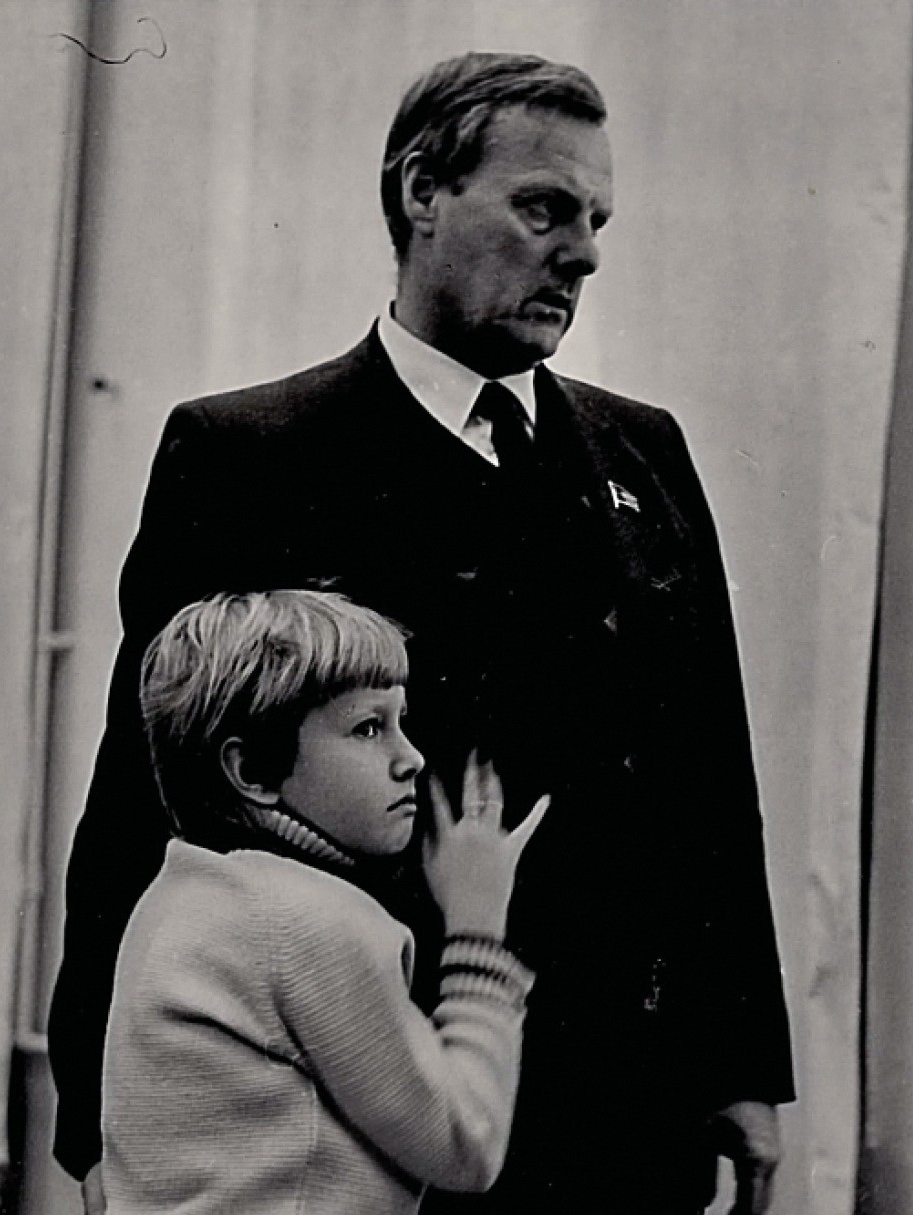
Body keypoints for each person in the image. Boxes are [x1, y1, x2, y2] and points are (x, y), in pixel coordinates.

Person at [50, 52, 795, 1215]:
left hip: (622, 1105)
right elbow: (146, 799)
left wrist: (742, 1061)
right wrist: (99, 1116)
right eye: (544, 209)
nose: (584, 254)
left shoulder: (642, 454)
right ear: (421, 192)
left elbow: (707, 774)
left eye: (597, 221)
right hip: (370, 1111)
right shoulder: (252, 455)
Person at [101, 588, 548, 1214]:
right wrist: (478, 932)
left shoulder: (180, 893)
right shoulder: (304, 920)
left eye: (401, 722)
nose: (411, 758)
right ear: (253, 771)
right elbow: (465, 1143)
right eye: (368, 728)